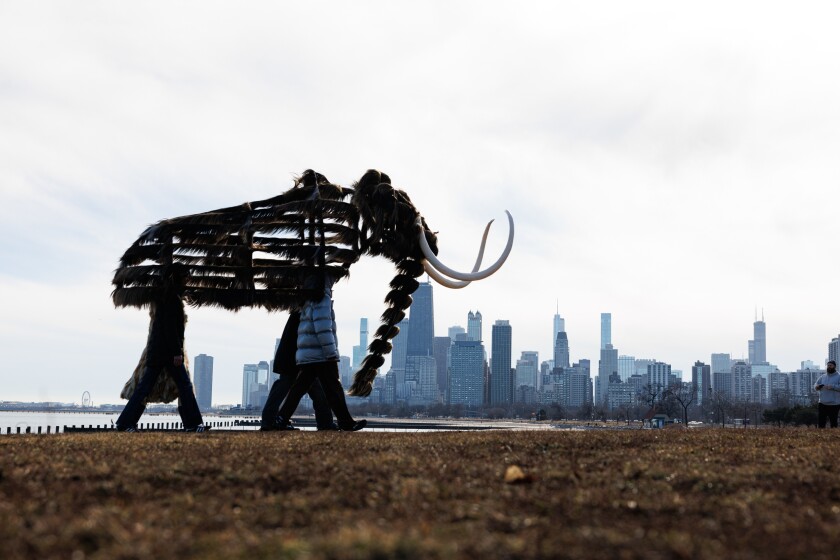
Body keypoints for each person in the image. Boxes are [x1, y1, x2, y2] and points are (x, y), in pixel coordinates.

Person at [116, 264, 208, 433]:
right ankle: (193, 424)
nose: (188, 280)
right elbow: (170, 329)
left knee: (145, 388)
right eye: (186, 277)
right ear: (178, 278)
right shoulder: (172, 299)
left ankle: (125, 422)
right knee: (184, 386)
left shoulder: (164, 297)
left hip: (157, 352)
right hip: (167, 353)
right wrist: (177, 353)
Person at [274, 273, 366, 432]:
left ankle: (281, 419)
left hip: (310, 354)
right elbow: (323, 328)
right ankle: (346, 422)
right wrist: (331, 352)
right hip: (321, 354)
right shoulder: (322, 299)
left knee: (299, 389)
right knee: (334, 388)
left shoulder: (308, 299)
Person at [260, 310, 338, 431]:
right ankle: (325, 423)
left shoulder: (302, 310)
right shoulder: (312, 310)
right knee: (314, 390)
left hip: (296, 357)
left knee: (289, 388)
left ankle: (270, 421)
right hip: (299, 358)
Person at [814, 360, 840, 428]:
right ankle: (821, 434)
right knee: (821, 423)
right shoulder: (823, 376)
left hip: (834, 404)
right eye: (828, 365)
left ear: (834, 366)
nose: (829, 367)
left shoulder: (839, 376)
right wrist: (817, 387)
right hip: (822, 403)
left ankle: (833, 434)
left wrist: (832, 387)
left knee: (833, 423)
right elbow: (815, 385)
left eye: (830, 365)